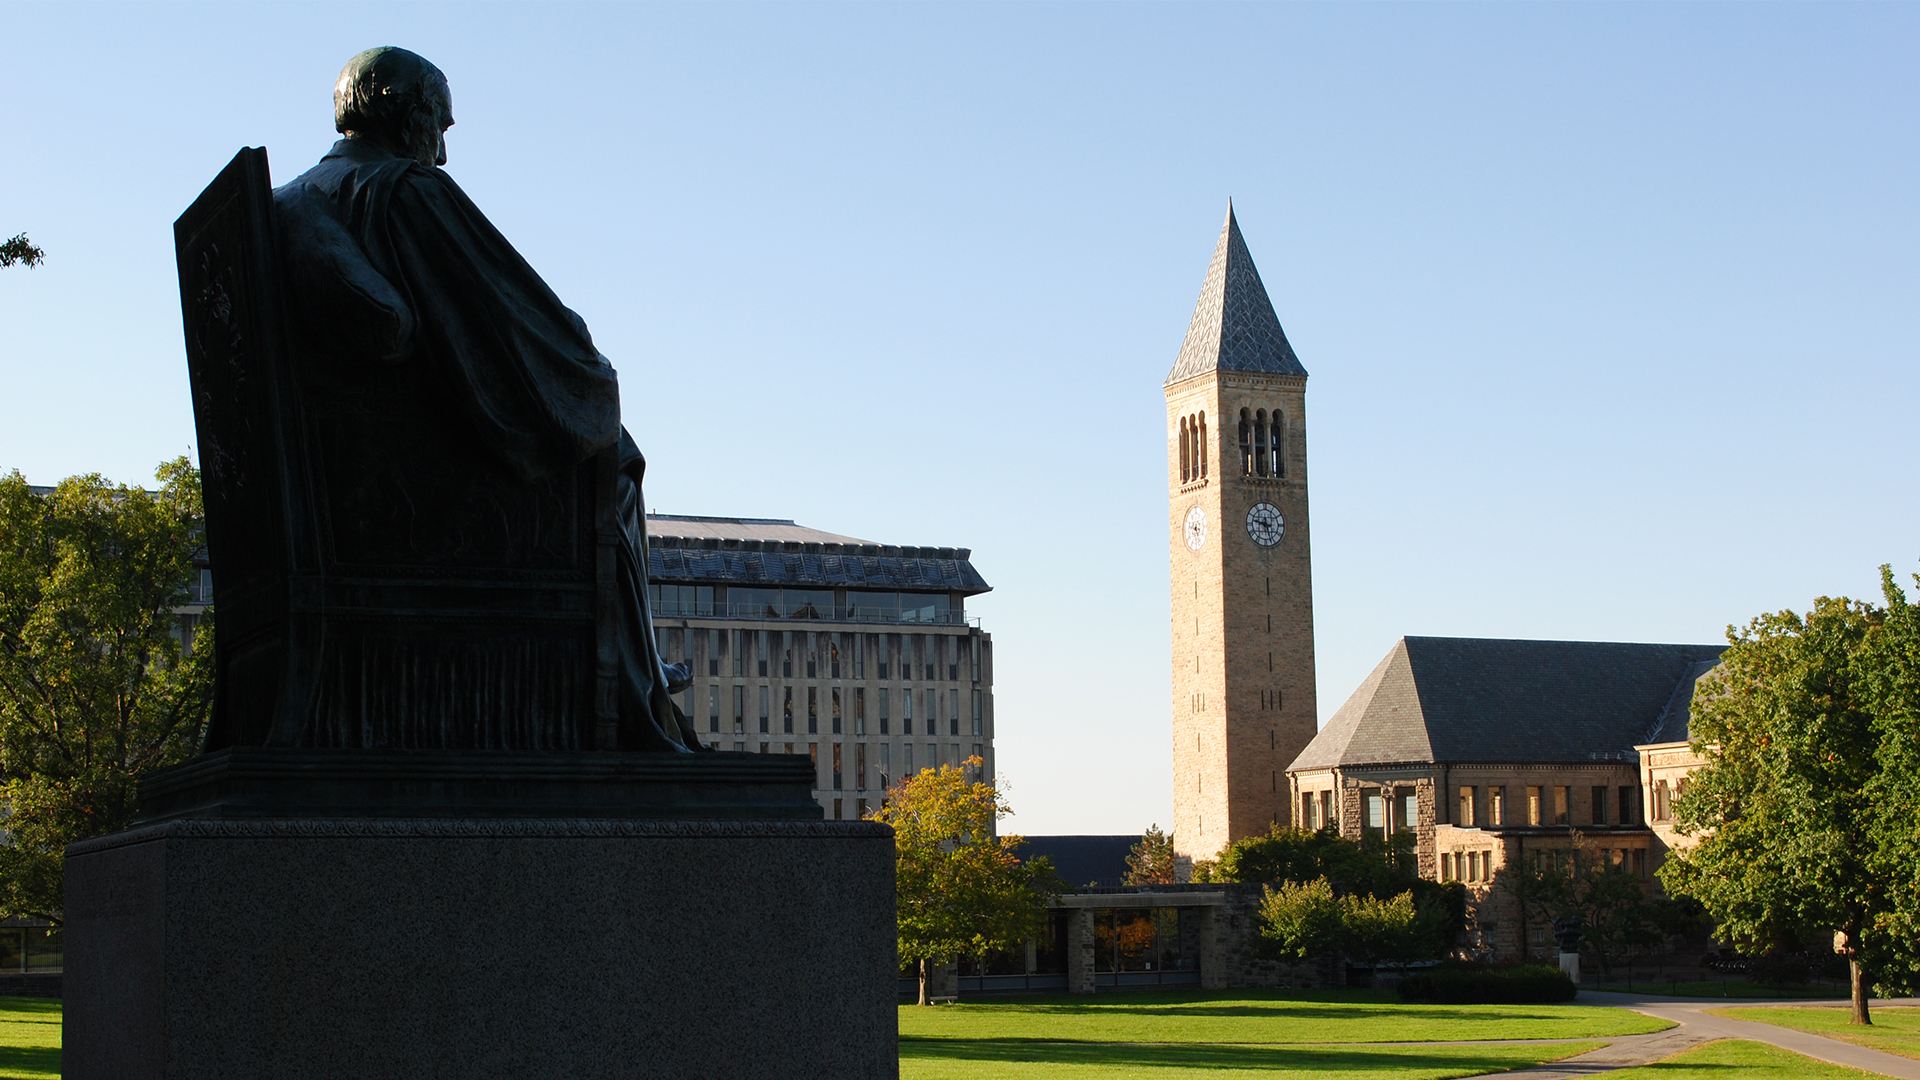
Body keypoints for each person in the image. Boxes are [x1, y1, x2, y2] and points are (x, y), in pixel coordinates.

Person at [275, 46, 703, 752]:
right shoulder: (406, 193)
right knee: (612, 461)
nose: (441, 151)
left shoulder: (290, 201)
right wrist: (577, 356)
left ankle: (640, 669)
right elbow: (489, 320)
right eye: (438, 125)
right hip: (409, 500)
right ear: (408, 116)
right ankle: (633, 686)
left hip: (339, 488)